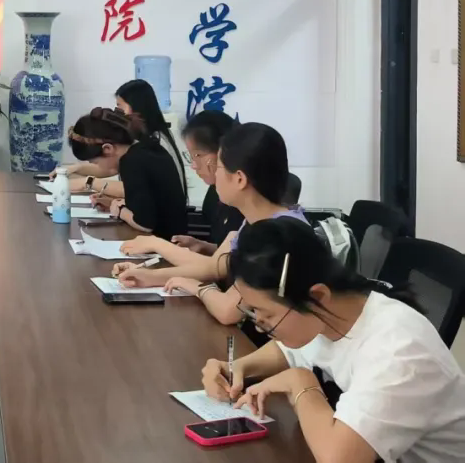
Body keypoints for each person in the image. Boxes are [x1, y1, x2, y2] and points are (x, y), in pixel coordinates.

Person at [200, 218, 465, 463]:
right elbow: (290, 349)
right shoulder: (333, 312)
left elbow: (339, 459)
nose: (260, 325)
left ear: (317, 296)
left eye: (267, 315)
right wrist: (237, 367)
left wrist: (300, 382)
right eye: (253, 311)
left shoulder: (399, 352)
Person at [114, 122, 308, 324]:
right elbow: (214, 267)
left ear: (240, 179)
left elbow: (228, 310)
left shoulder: (275, 235)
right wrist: (148, 276)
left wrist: (196, 287)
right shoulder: (258, 219)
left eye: (220, 167)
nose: (215, 174)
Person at [118, 110, 240, 265]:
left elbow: (221, 268)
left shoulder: (239, 201)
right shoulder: (218, 191)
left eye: (197, 156)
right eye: (191, 156)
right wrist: (204, 246)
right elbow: (231, 254)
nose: (194, 166)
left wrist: (160, 246)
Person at [52, 79, 186, 199]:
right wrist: (74, 169)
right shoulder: (138, 143)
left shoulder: (154, 143)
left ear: (137, 106)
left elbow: (134, 189)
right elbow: (110, 168)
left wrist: (87, 182)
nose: (117, 112)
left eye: (120, 106)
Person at [67, 107, 187, 239]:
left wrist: (119, 211)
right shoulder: (146, 147)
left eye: (95, 162)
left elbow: (144, 224)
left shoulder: (131, 162)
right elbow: (151, 201)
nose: (97, 166)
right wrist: (114, 204)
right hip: (174, 237)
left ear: (107, 149)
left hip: (165, 242)